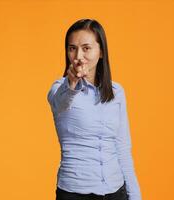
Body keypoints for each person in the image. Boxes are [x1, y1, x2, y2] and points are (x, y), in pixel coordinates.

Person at [47, 18, 141, 200]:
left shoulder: (116, 92)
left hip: (116, 191)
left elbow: (122, 147)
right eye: (72, 48)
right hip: (75, 193)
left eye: (86, 48)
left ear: (101, 52)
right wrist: (72, 82)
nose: (78, 56)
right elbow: (61, 103)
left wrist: (135, 195)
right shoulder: (59, 89)